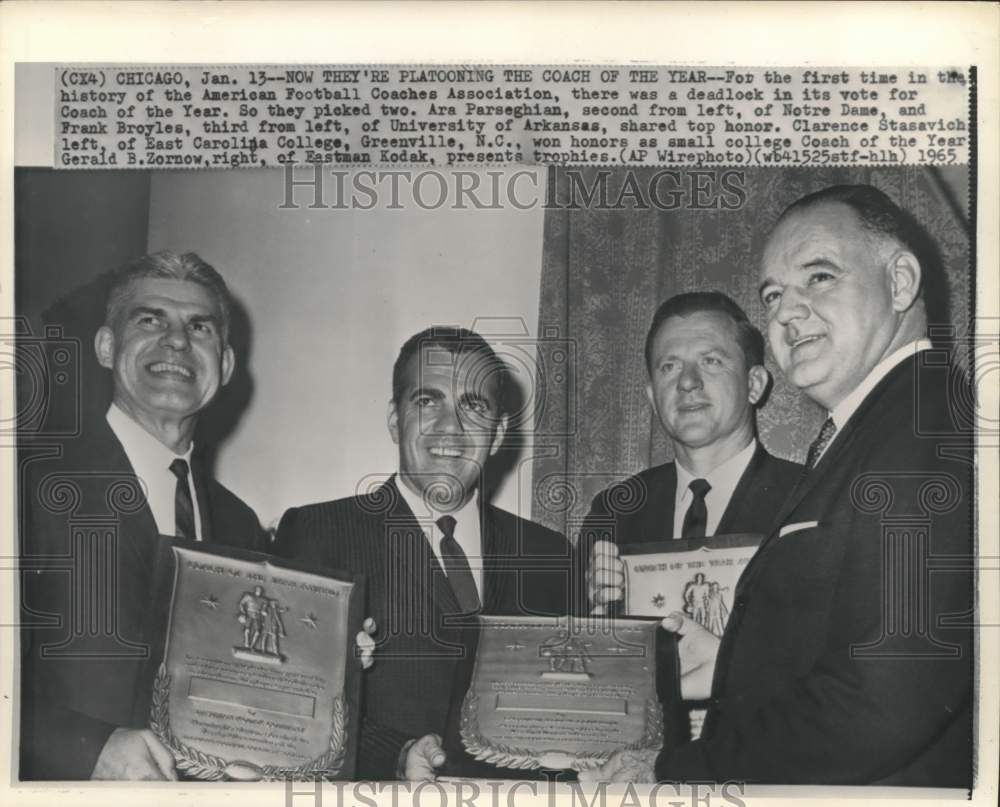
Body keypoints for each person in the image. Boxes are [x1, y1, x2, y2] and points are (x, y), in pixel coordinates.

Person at [584, 184, 973, 786]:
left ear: (900, 282)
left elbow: (879, 708)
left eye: (819, 277)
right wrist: (726, 662)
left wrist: (676, 770)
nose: (787, 312)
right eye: (773, 294)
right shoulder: (883, 428)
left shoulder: (918, 433)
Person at [273, 326, 573, 780]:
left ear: (497, 433)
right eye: (427, 401)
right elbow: (286, 701)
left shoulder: (549, 554)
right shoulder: (317, 533)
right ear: (396, 420)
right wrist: (393, 755)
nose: (450, 426)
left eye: (473, 405)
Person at [20, 251, 267, 780]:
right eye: (150, 319)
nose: (177, 341)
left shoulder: (240, 523)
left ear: (223, 365)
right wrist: (88, 750)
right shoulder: (27, 483)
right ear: (107, 347)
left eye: (198, 327)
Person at [584, 292, 801, 616]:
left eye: (711, 361)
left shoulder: (809, 499)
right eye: (669, 366)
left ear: (754, 384)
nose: (687, 382)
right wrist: (595, 615)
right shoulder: (614, 511)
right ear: (653, 398)